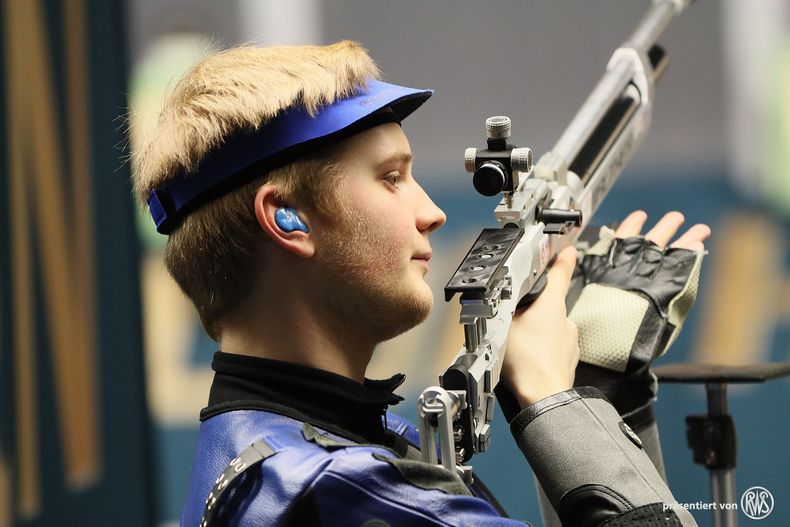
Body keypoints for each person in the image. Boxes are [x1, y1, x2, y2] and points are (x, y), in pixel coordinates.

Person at [132, 41, 710, 526]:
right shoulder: (330, 490)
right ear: (287, 217)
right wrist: (555, 407)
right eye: (391, 178)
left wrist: (599, 394)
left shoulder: (329, 447)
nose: (431, 212)